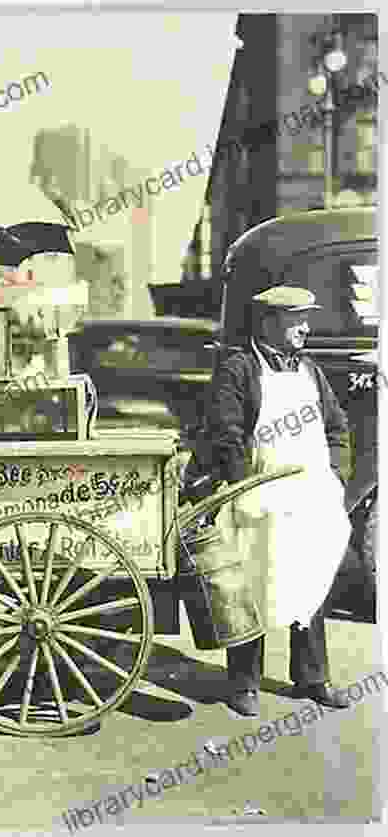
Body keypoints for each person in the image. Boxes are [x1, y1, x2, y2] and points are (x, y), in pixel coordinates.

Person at [206, 285, 352, 717]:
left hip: (310, 496)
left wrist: (335, 478)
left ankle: (312, 678)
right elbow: (225, 432)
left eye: (306, 319)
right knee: (252, 584)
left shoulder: (311, 372)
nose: (306, 328)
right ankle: (244, 683)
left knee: (311, 583)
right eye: (297, 320)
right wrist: (243, 486)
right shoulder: (239, 369)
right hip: (259, 496)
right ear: (269, 323)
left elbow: (337, 426)